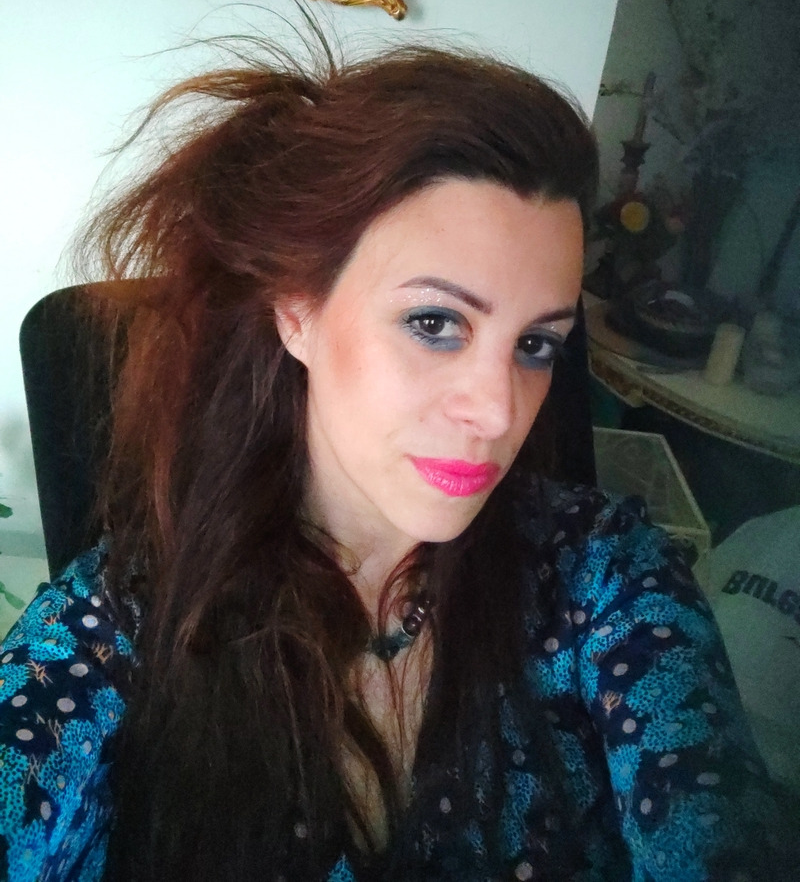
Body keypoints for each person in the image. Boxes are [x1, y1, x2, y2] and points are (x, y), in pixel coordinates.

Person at [0, 43, 793, 882]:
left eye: (535, 344)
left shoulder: (609, 581)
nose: (499, 411)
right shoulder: (119, 628)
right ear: (297, 310)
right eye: (434, 323)